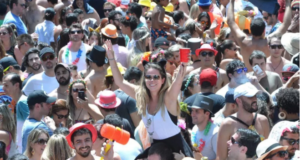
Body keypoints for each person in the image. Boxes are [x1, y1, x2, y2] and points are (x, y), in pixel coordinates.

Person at [104, 40, 193, 157]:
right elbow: (120, 82)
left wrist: (184, 62)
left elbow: (179, 79)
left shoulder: (168, 97)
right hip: (156, 148)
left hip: (176, 150)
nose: (152, 80)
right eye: (148, 77)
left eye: (156, 77)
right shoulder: (141, 96)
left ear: (162, 80)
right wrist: (111, 57)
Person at [227, 0, 292, 71]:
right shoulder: (269, 41)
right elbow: (286, 23)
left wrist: (232, 1)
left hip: (249, 78)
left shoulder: (243, 41)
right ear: (263, 31)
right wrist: (288, 3)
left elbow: (230, 22)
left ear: (251, 31)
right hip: (266, 77)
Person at [217, 82, 270, 160]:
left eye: (255, 96)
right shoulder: (227, 124)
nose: (254, 99)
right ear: (238, 100)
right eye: (250, 97)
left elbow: (267, 152)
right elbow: (221, 158)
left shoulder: (263, 120)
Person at [2, 73, 28, 153]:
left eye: (6, 86)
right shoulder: (13, 102)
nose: (3, 88)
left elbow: (31, 125)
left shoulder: (23, 102)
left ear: (16, 85)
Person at [190, 95, 219, 160]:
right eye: (192, 110)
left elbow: (221, 158)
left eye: (197, 111)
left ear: (207, 114)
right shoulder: (195, 128)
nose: (192, 114)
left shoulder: (215, 133)